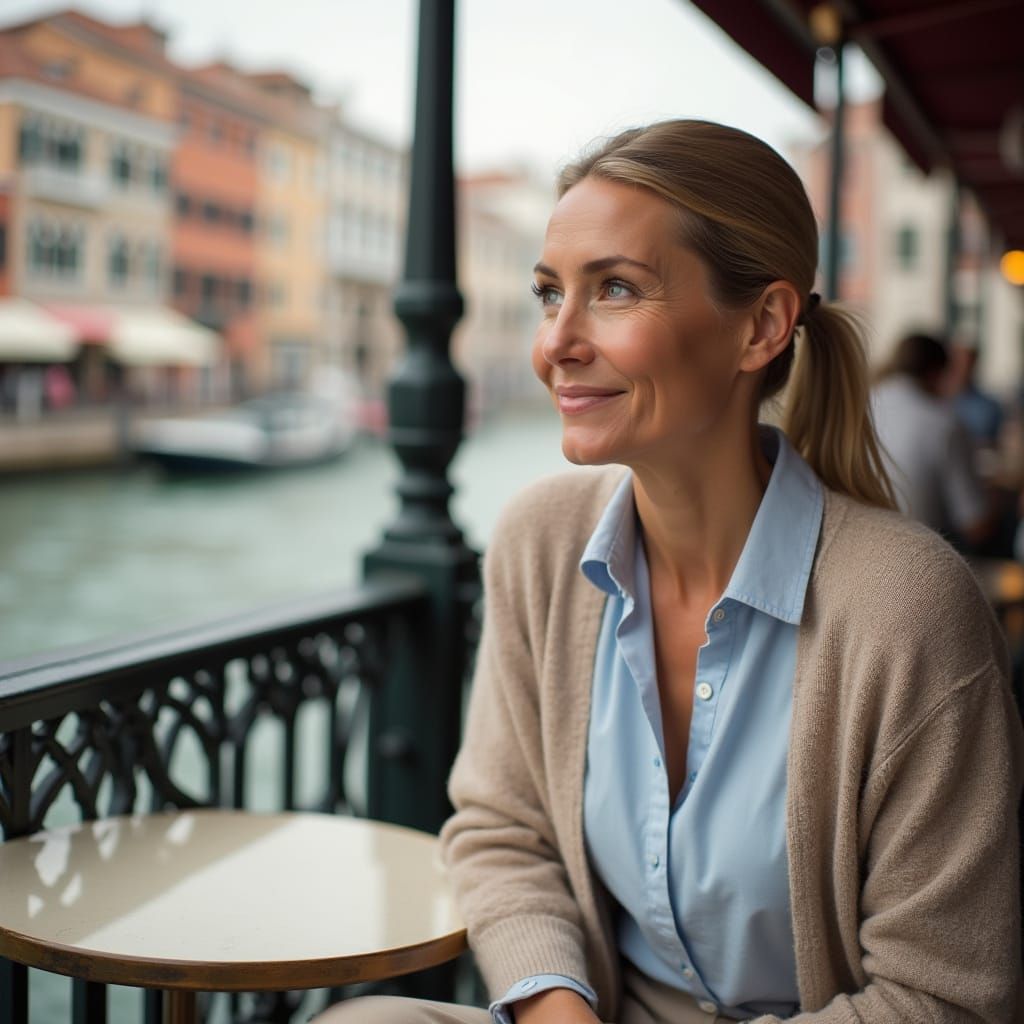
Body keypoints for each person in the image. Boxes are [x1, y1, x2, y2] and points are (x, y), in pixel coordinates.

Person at [315, 121, 1023, 1023]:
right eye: (548, 294)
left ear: (762, 326)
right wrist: (557, 1007)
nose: (556, 343)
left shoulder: (908, 608)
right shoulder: (540, 542)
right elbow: (504, 831)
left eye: (614, 289)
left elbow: (945, 997)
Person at [871, 331, 997, 551]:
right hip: (922, 558)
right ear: (936, 374)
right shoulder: (944, 423)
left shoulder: (861, 406)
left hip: (860, 548)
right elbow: (976, 526)